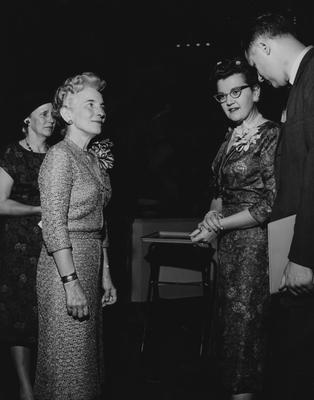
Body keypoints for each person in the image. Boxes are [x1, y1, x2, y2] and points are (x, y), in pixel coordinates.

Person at [190, 57, 280, 400]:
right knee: (228, 338)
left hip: (256, 250)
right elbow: (218, 194)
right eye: (222, 95)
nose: (229, 100)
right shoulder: (229, 138)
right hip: (228, 253)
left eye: (236, 91)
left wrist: (219, 225)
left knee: (246, 341)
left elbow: (270, 205)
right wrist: (208, 222)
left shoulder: (272, 135)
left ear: (255, 92)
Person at [243, 12, 314, 400]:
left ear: (265, 47)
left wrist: (303, 256)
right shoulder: (301, 83)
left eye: (256, 65)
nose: (259, 78)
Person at [33, 72, 117, 400]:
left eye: (102, 104)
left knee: (86, 365)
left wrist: (105, 274)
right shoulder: (59, 157)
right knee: (69, 368)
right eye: (90, 104)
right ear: (67, 114)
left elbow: (101, 222)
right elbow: (53, 225)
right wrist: (71, 283)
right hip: (63, 272)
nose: (100, 111)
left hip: (90, 263)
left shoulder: (93, 159)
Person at [0, 95, 55, 400]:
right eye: (44, 114)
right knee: (20, 315)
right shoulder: (12, 153)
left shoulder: (58, 154)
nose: (50, 119)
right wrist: (37, 210)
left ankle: (47, 381)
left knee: (46, 315)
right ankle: (24, 387)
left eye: (53, 115)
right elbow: (1, 203)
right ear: (27, 120)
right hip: (19, 244)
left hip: (51, 243)